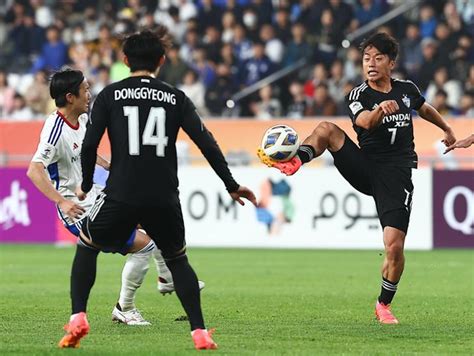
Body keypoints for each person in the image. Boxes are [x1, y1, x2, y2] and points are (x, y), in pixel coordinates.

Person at [64, 28, 257, 350]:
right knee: (178, 260)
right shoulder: (175, 97)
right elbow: (205, 141)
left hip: (121, 193)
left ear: (125, 60)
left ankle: (78, 317)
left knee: (87, 245)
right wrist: (231, 185)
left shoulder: (110, 95)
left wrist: (85, 184)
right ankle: (199, 332)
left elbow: (89, 145)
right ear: (162, 61)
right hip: (164, 196)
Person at [258, 32, 456, 324]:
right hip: (365, 166)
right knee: (327, 128)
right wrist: (378, 111)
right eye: (366, 59)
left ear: (391, 62)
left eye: (378, 58)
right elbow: (363, 121)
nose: (371, 64)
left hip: (396, 174)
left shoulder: (406, 90)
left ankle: (383, 304)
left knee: (394, 247)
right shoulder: (358, 95)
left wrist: (447, 129)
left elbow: (424, 107)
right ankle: (296, 160)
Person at [27, 68, 203, 330]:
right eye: (85, 89)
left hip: (95, 196)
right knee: (144, 245)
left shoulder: (83, 119)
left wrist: (108, 165)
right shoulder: (54, 129)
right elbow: (34, 170)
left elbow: (86, 149)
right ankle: (125, 308)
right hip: (77, 209)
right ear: (70, 96)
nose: (89, 93)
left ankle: (167, 279)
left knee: (149, 218)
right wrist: (61, 202)